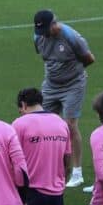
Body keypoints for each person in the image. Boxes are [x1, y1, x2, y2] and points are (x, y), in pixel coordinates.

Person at [33, 10, 95, 189]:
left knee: (69, 125)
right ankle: (50, 167)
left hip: (73, 85)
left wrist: (71, 71)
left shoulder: (71, 37)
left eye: (46, 29)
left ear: (54, 24)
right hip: (51, 85)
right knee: (43, 124)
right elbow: (45, 57)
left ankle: (76, 172)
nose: (43, 34)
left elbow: (89, 59)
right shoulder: (38, 37)